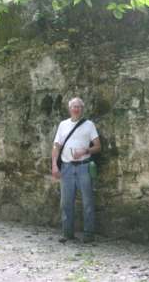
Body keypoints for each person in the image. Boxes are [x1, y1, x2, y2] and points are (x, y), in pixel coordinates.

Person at [52, 97, 101, 243]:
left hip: (83, 167)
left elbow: (98, 146)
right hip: (66, 167)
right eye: (74, 106)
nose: (76, 109)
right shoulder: (63, 125)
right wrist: (54, 165)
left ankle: (88, 234)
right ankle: (67, 233)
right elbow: (56, 146)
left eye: (79, 106)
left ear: (82, 109)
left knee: (88, 202)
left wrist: (86, 150)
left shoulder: (89, 125)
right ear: (69, 108)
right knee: (66, 203)